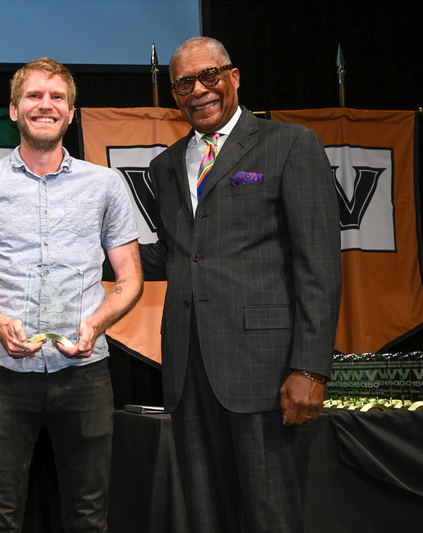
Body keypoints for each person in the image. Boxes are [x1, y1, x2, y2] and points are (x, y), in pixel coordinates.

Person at [140, 36, 341, 532]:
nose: (199, 91)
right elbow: (177, 254)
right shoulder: (165, 167)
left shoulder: (290, 144)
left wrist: (310, 369)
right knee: (207, 515)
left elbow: (318, 263)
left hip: (266, 372)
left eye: (210, 76)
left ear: (234, 77)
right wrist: (83, 253)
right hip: (188, 373)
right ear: (174, 94)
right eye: (184, 83)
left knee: (271, 514)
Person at [0, 58, 143, 533]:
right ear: (13, 110)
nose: (45, 105)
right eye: (34, 96)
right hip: (2, 373)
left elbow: (130, 277)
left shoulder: (105, 185)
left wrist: (94, 326)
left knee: (89, 516)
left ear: (71, 113)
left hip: (85, 372)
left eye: (57, 97)